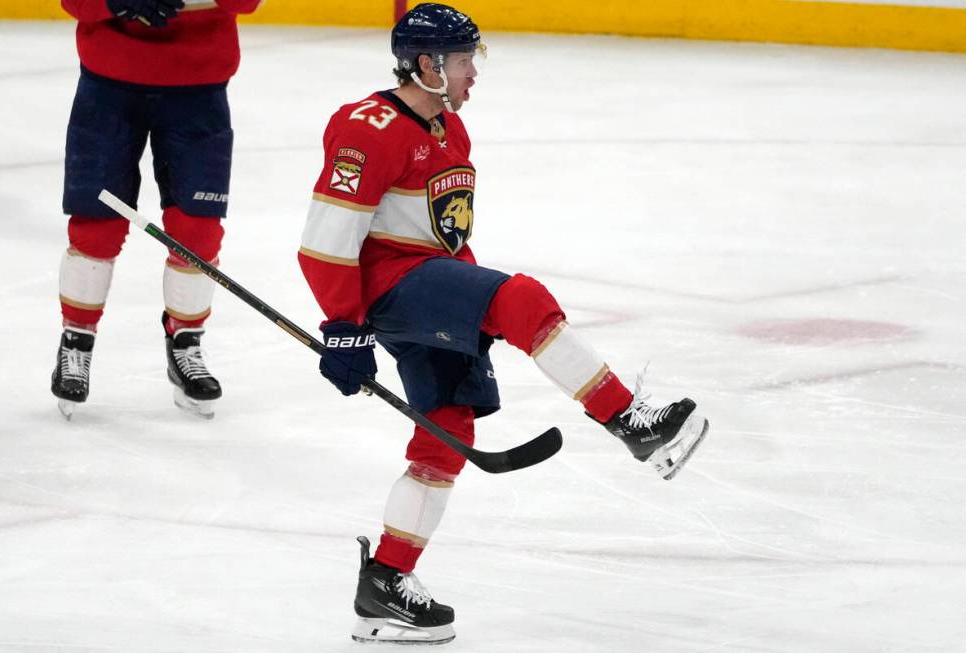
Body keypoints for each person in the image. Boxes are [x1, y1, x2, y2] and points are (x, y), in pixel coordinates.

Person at [297, 3, 710, 644]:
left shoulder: (448, 129)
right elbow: (326, 242)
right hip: (392, 288)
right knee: (522, 297)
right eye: (464, 60)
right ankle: (628, 420)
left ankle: (383, 585)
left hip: (430, 287)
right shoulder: (368, 127)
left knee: (446, 432)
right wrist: (344, 327)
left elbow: (448, 234)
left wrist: (468, 314)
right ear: (428, 64)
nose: (473, 73)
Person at [51, 0, 264, 419]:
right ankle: (76, 340)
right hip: (108, 85)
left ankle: (186, 341)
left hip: (199, 88)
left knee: (197, 233)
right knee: (96, 227)